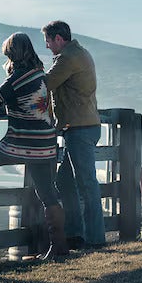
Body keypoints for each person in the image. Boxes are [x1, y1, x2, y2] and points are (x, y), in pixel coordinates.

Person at [0, 33, 69, 260]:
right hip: (45, 143)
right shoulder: (39, 75)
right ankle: (59, 246)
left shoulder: (19, 78)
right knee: (47, 194)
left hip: (22, 140)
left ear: (13, 54)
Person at [43, 20, 104, 250]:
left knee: (87, 183)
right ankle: (76, 234)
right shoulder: (80, 53)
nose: (47, 46)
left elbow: (47, 83)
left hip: (79, 129)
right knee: (66, 181)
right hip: (81, 126)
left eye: (48, 41)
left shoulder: (67, 58)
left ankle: (94, 238)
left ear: (58, 39)